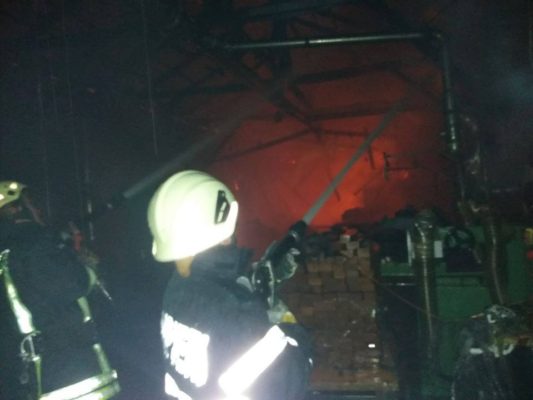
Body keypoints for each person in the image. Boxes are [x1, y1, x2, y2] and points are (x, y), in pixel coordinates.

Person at [148, 170, 312, 400]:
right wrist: (290, 327)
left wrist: (256, 281)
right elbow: (288, 382)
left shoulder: (176, 287)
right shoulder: (237, 312)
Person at [0, 180, 120, 400]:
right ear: (15, 209)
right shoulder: (32, 242)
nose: (38, 209)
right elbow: (73, 284)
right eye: (30, 203)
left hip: (30, 373)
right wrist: (87, 267)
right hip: (68, 371)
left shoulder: (7, 251)